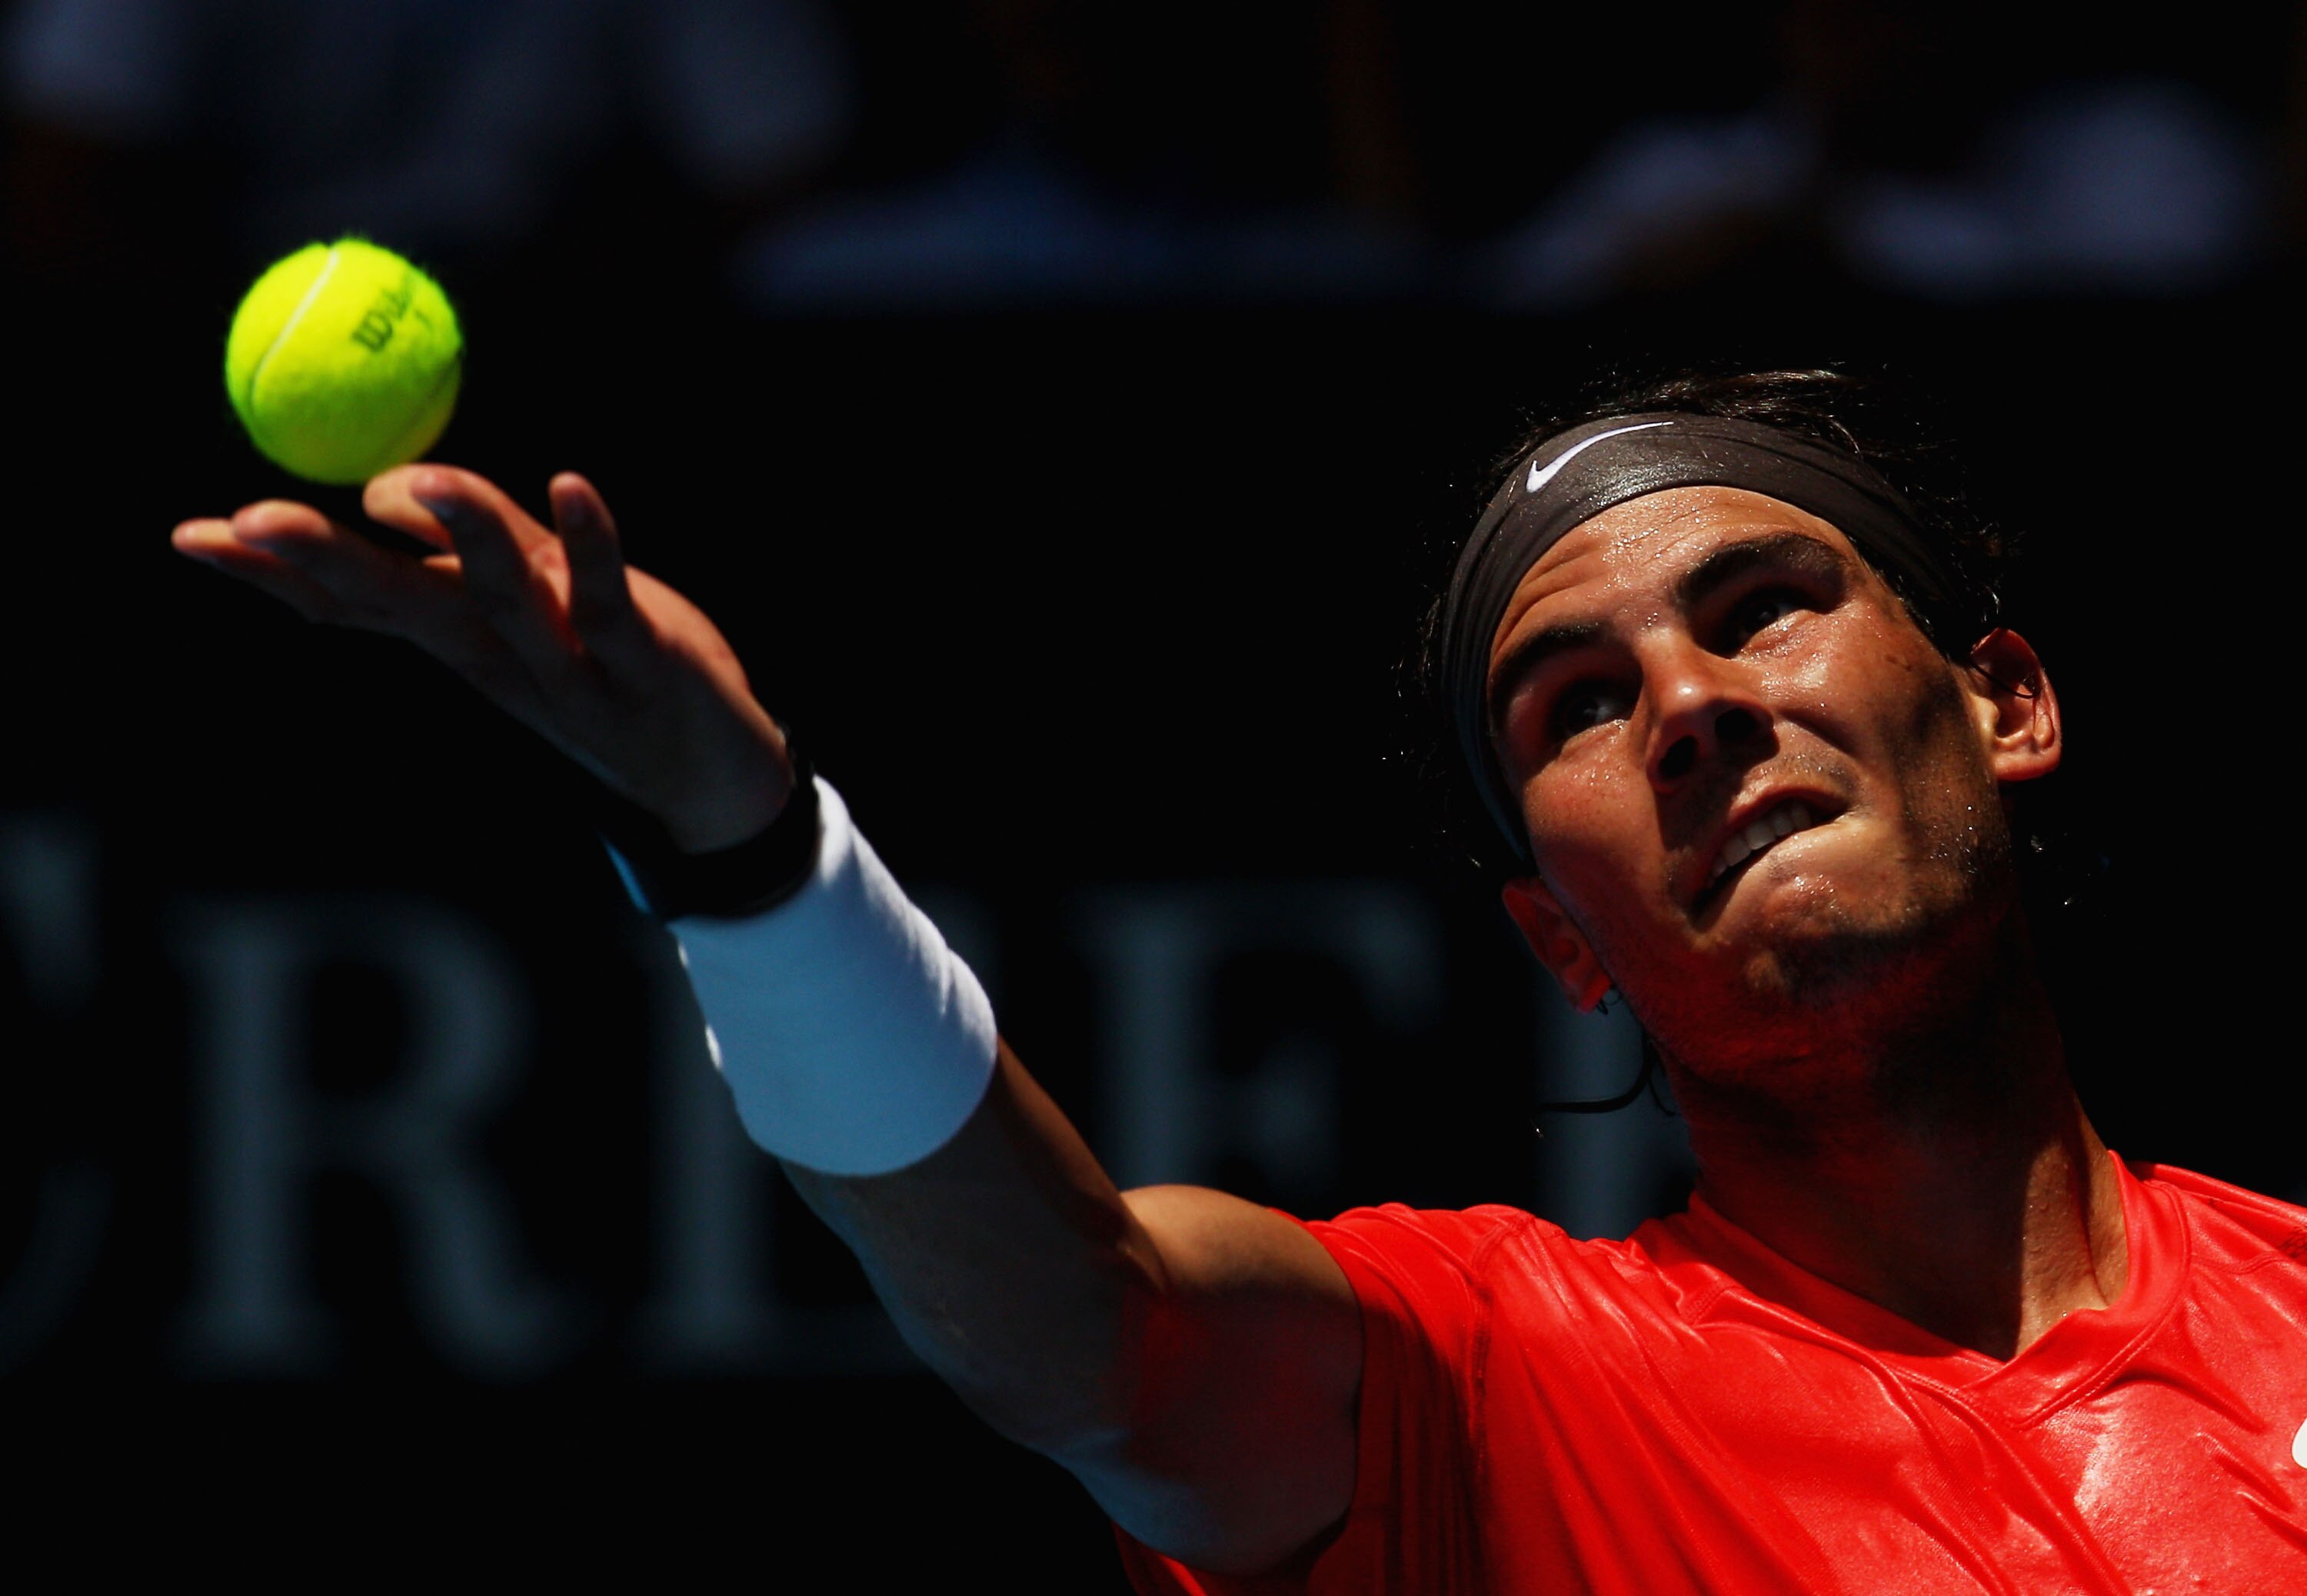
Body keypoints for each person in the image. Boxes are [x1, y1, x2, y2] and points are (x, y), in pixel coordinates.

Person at [169, 367, 2307, 1591]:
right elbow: (1081, 1317)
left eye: (1761, 604)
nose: (1686, 703)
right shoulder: (1476, 1386)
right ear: (1554, 937)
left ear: (2005, 704)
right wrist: (748, 854)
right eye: (1575, 701)